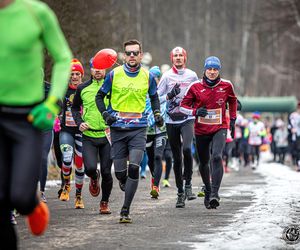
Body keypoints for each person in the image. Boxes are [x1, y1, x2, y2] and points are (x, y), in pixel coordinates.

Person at [0, 0, 72, 248]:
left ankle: (33, 203)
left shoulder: (36, 12)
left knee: (19, 197)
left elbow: (63, 58)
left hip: (27, 117)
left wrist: (52, 101)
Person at [96, 39, 163, 223]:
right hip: (117, 129)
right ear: (124, 55)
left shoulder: (147, 76)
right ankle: (123, 180)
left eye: (135, 53)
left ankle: (125, 210)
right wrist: (105, 115)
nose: (132, 56)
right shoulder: (113, 74)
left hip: (138, 129)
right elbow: (99, 97)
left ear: (141, 55)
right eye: (128, 53)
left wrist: (157, 113)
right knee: (120, 173)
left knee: (134, 167)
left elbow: (154, 97)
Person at [180, 56, 237, 209]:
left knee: (217, 156)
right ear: (204, 70)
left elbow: (233, 101)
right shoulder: (195, 86)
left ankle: (215, 194)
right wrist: (195, 111)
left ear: (219, 70)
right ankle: (208, 189)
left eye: (215, 69)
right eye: (209, 69)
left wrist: (232, 119)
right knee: (204, 162)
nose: (212, 72)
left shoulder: (226, 85)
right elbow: (182, 106)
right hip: (201, 129)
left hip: (220, 127)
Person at [157, 46, 198, 208]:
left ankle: (188, 185)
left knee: (187, 149)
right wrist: (169, 95)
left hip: (188, 118)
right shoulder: (166, 76)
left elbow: (198, 94)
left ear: (185, 58)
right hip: (171, 120)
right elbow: (157, 98)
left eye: (181, 55)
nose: (178, 58)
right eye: (176, 56)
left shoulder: (192, 75)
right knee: (177, 157)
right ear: (172, 59)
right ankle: (180, 193)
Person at [71, 57, 113, 214]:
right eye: (95, 68)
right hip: (88, 135)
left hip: (107, 135)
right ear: (90, 69)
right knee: (89, 168)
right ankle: (94, 178)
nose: (98, 71)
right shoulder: (82, 88)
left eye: (101, 68)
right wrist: (79, 121)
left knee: (107, 172)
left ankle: (104, 202)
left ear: (105, 70)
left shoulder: (111, 87)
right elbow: (75, 109)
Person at [59, 59, 85, 209]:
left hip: (81, 132)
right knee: (67, 157)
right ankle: (66, 185)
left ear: (81, 75)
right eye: (72, 74)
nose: (74, 76)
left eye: (77, 74)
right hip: (66, 130)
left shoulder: (85, 89)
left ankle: (79, 196)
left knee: (80, 165)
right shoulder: (64, 90)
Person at [145, 66, 167, 198]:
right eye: (152, 78)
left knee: (158, 156)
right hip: (146, 130)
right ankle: (154, 176)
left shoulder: (163, 93)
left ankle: (155, 186)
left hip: (161, 129)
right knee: (150, 158)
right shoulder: (142, 93)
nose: (155, 80)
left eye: (156, 78)